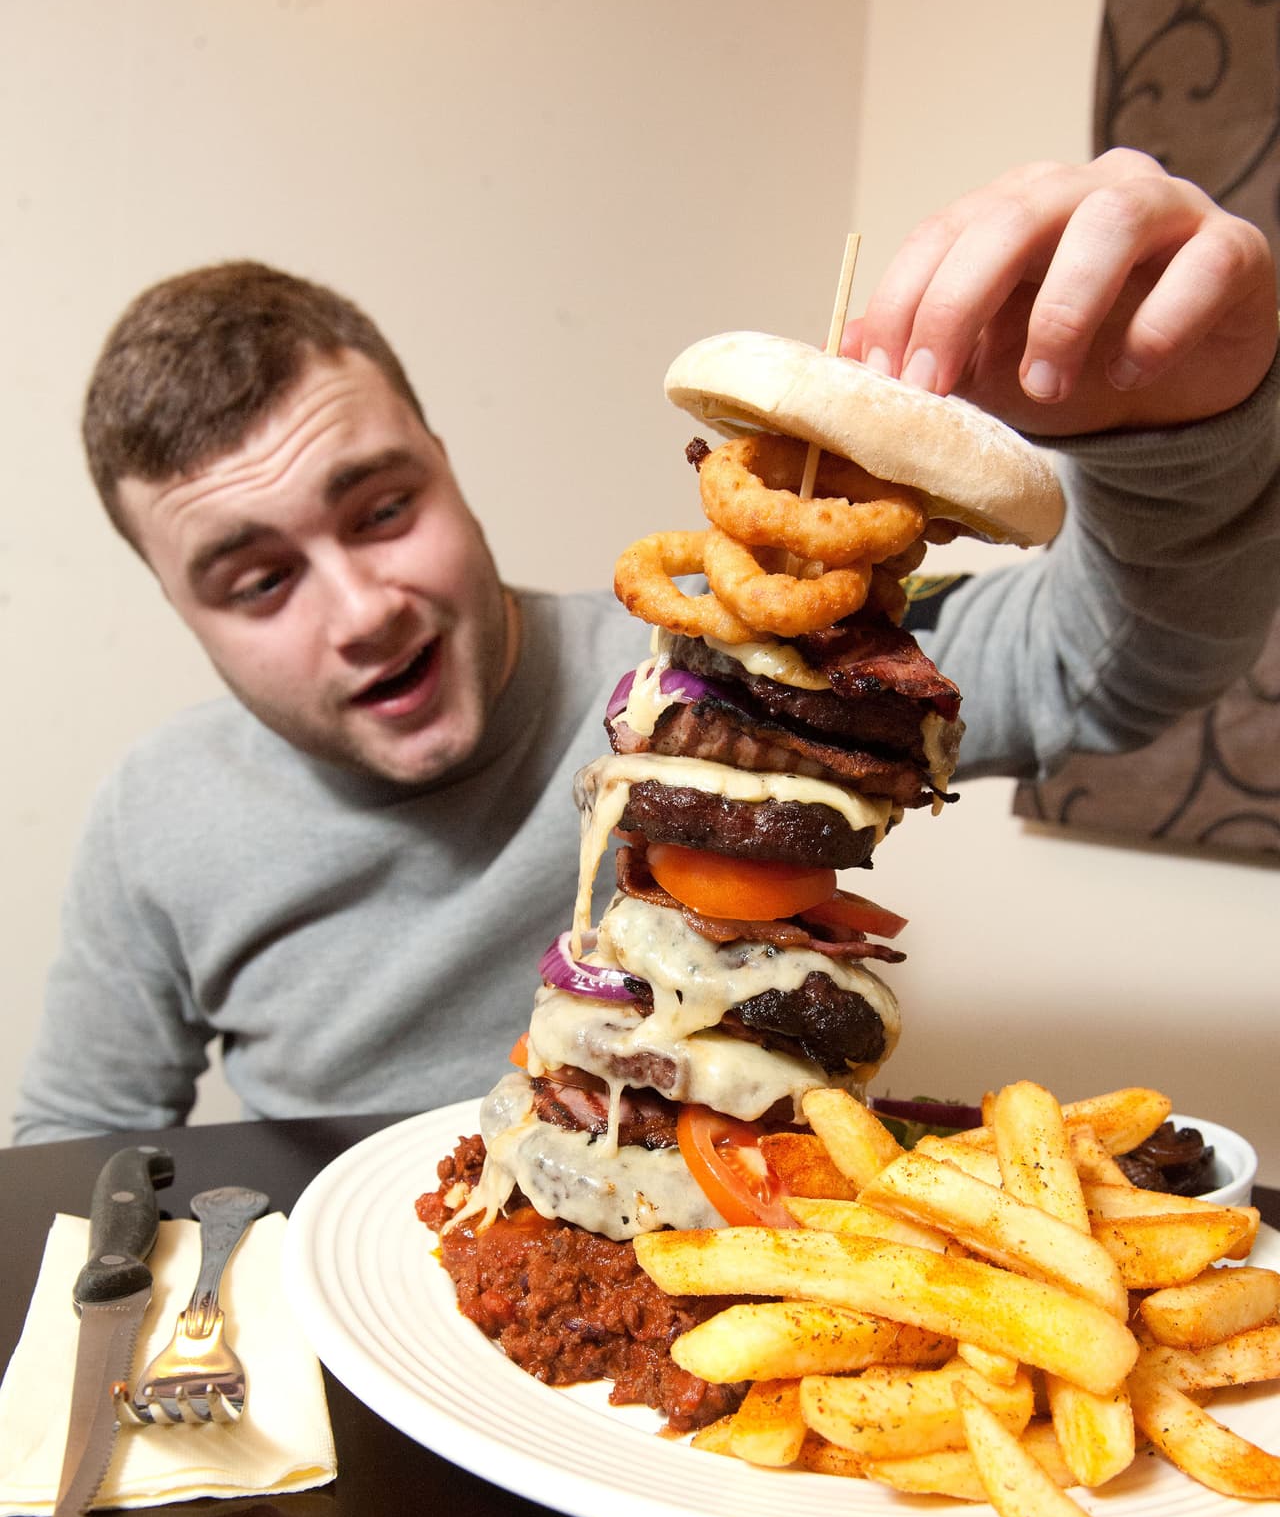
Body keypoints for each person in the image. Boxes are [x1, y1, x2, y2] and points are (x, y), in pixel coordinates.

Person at [14, 151, 1279, 1143]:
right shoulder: (154, 817)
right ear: (180, 610)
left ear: (445, 467)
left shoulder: (726, 670)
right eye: (258, 580)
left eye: (383, 508)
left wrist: (1185, 430)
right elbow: (75, 1142)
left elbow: (1106, 668)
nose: (362, 610)